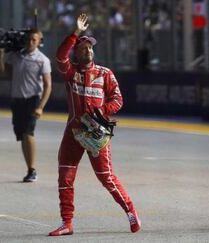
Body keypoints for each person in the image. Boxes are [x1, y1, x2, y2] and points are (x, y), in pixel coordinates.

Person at [48, 13, 141, 236]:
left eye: (90, 48)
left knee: (106, 177)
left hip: (97, 132)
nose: (87, 51)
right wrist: (75, 33)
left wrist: (101, 112)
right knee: (65, 176)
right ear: (77, 53)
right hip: (73, 132)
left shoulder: (105, 73)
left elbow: (118, 100)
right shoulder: (71, 73)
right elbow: (60, 57)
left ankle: (131, 212)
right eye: (83, 48)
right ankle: (66, 223)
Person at [0, 29, 52, 182]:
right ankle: (29, 168)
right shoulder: (16, 56)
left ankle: (32, 170)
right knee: (22, 135)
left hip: (32, 100)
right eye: (28, 39)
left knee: (28, 133)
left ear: (39, 41)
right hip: (17, 100)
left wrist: (41, 106)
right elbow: (2, 72)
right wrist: (1, 54)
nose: (30, 42)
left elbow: (48, 85)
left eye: (34, 40)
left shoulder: (43, 60)